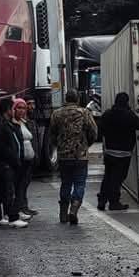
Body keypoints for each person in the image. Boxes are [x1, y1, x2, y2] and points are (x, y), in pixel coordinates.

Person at [49, 89, 97, 224]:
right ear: (77, 99)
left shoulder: (56, 114)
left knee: (66, 183)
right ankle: (74, 210)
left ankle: (63, 213)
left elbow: (52, 134)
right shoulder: (85, 113)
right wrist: (86, 144)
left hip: (64, 156)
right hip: (80, 156)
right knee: (80, 183)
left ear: (65, 99)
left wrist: (59, 145)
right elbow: (94, 132)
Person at [97, 92, 139, 211]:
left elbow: (100, 129)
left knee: (107, 177)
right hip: (124, 153)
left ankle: (102, 200)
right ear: (126, 102)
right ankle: (114, 202)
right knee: (117, 179)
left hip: (109, 152)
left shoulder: (107, 114)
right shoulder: (129, 115)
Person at [0, 98, 29, 228]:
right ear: (7, 110)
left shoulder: (6, 123)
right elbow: (1, 147)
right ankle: (12, 217)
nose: (15, 111)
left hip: (3, 163)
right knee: (8, 191)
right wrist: (13, 159)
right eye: (13, 108)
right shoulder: (0, 125)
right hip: (4, 163)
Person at [13, 97, 38, 217]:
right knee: (20, 184)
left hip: (29, 158)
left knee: (25, 183)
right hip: (21, 159)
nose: (30, 107)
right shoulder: (16, 123)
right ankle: (19, 208)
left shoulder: (27, 121)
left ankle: (24, 206)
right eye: (28, 104)